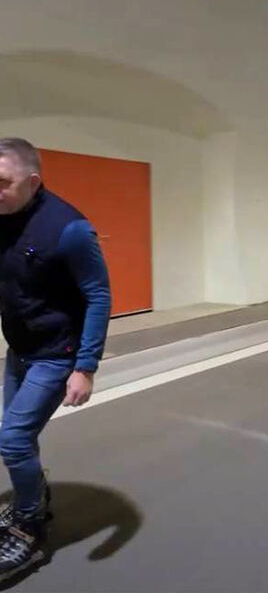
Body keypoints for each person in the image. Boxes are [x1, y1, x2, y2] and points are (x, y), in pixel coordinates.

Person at [0, 138, 111, 578]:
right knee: (18, 439)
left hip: (56, 354)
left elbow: (98, 296)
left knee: (11, 439)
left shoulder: (69, 229)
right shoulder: (4, 218)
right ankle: (34, 497)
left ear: (33, 182)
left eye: (3, 182)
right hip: (20, 349)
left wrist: (85, 367)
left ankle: (29, 525)